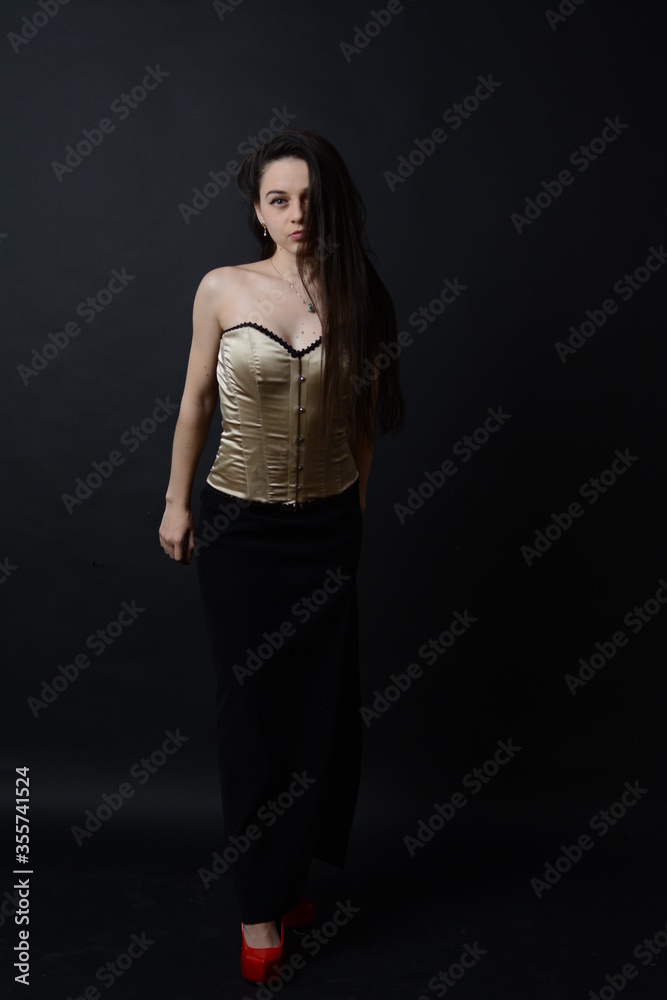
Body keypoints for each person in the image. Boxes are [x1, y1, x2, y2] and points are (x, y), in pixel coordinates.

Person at [158, 128, 404, 984]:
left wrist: (354, 513)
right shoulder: (222, 288)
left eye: (309, 198)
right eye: (278, 199)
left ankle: (287, 878)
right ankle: (257, 906)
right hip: (241, 530)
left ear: (329, 204)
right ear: (257, 210)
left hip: (327, 527)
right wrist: (175, 501)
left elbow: (364, 419)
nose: (297, 214)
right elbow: (195, 402)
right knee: (253, 714)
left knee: (321, 713)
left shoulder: (359, 292)